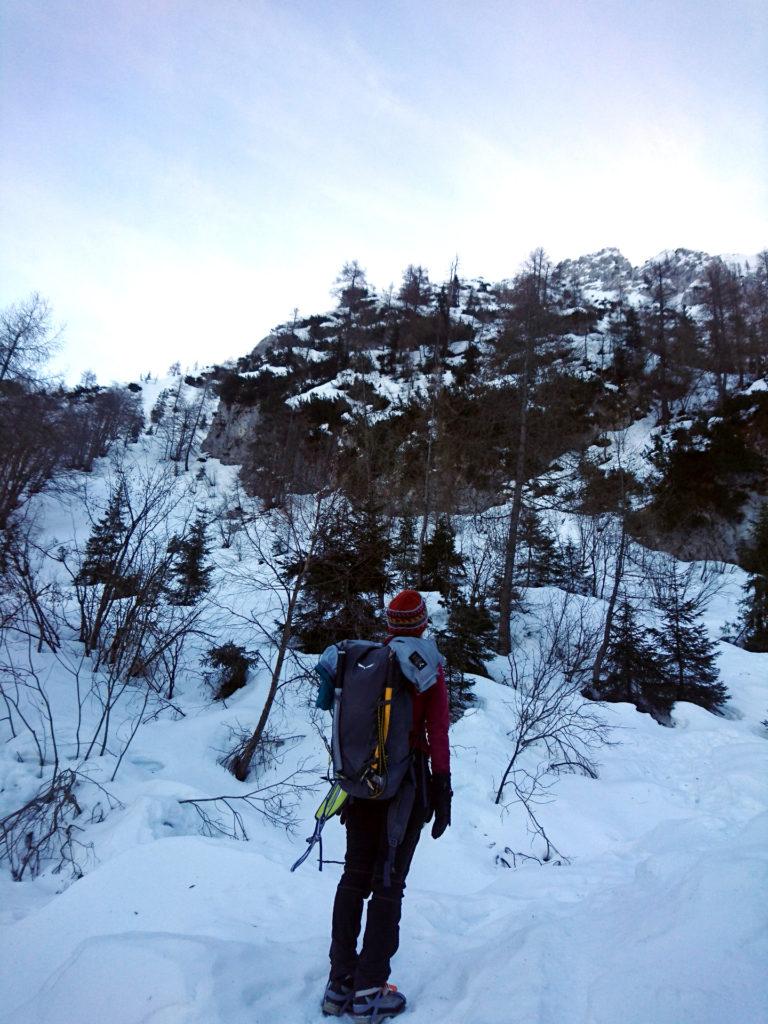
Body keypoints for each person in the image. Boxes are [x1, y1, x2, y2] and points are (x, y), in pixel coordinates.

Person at [321, 589, 452, 1021]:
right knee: (388, 882)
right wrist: (443, 787)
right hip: (405, 787)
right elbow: (437, 731)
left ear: (389, 625)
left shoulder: (364, 664)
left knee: (354, 877)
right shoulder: (426, 667)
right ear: (422, 623)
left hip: (358, 787)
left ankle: (339, 984)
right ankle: (371, 989)